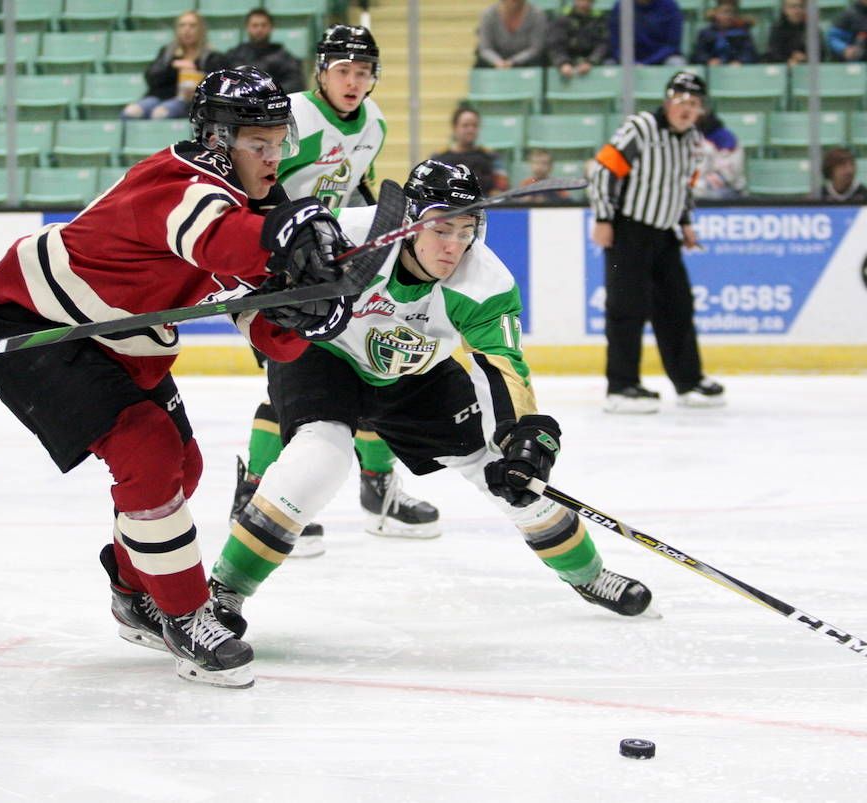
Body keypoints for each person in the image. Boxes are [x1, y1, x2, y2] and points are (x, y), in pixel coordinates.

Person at [0, 67, 351, 689]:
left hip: (121, 340)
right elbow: (226, 244)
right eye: (257, 143)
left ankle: (134, 595)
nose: (273, 156)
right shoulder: (176, 183)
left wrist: (305, 317)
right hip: (39, 327)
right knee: (147, 450)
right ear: (215, 140)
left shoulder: (258, 204)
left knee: (186, 465)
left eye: (279, 141)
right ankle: (185, 614)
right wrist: (289, 238)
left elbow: (258, 321)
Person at [198, 160, 654, 647]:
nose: (454, 245)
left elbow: (502, 367)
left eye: (466, 229)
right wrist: (261, 311)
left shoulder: (484, 283)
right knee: (319, 457)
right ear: (410, 222)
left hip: (415, 373)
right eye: (440, 228)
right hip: (324, 356)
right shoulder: (347, 236)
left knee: (509, 472)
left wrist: (522, 435)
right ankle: (224, 591)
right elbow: (248, 280)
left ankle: (587, 575)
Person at [230, 24, 442, 560]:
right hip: (277, 268)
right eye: (343, 70)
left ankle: (379, 491)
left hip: (336, 267)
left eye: (363, 72)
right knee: (293, 380)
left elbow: (358, 187)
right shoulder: (292, 115)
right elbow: (253, 185)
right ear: (321, 71)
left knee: (369, 365)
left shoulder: (375, 122)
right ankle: (254, 495)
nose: (353, 81)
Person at [587, 70, 725, 413]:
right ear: (668, 101)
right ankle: (621, 387)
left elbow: (684, 185)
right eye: (681, 101)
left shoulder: (694, 140)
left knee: (677, 305)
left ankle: (688, 382)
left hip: (664, 233)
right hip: (627, 231)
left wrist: (686, 223)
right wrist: (604, 218)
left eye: (694, 104)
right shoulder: (641, 127)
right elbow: (604, 170)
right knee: (626, 308)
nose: (687, 109)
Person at [122, 10, 227, 120]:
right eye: (182, 25)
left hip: (190, 100)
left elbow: (217, 84)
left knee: (160, 114)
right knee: (130, 112)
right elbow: (151, 78)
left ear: (201, 30)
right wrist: (173, 67)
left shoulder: (212, 57)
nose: (187, 30)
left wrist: (195, 72)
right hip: (159, 96)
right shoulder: (167, 53)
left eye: (192, 26)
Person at [429, 105, 508, 195]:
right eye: (465, 126)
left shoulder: (491, 157)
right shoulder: (439, 158)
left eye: (474, 126)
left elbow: (502, 189)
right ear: (455, 128)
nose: (471, 130)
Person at [223, 7, 304, 94]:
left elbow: (295, 83)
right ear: (247, 28)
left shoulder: (284, 58)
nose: (259, 29)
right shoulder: (234, 55)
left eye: (263, 25)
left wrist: (266, 92)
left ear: (271, 28)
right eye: (255, 25)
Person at [607, 0, 687, 65]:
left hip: (662, 58)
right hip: (629, 60)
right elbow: (616, 45)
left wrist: (647, 62)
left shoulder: (670, 6)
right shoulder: (621, 7)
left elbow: (672, 45)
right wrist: (629, 62)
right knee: (608, 65)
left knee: (676, 63)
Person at [476, 0, 549, 68]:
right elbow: (485, 48)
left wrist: (513, 62)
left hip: (528, 63)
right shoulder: (488, 15)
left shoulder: (537, 15)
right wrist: (498, 62)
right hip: (495, 64)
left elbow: (536, 48)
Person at [547, 0, 610, 77]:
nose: (583, 2)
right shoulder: (563, 18)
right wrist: (563, 63)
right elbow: (555, 45)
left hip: (593, 63)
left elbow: (602, 44)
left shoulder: (599, 19)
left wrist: (591, 61)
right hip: (568, 61)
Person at [692, 110, 746, 199]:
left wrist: (699, 182)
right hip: (698, 183)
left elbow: (728, 175)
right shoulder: (689, 138)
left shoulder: (725, 138)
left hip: (728, 188)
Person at [692, 0, 759, 64]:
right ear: (716, 14)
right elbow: (698, 54)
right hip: (713, 70)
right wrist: (708, 60)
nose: (727, 17)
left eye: (730, 13)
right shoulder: (706, 33)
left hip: (738, 71)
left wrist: (741, 61)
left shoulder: (743, 32)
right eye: (723, 13)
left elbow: (749, 53)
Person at [765, 0, 825, 64]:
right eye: (793, 7)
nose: (797, 10)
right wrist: (788, 60)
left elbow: (822, 54)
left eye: (801, 6)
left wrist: (805, 58)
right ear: (785, 9)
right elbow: (773, 55)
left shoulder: (812, 29)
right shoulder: (777, 29)